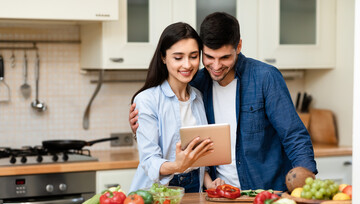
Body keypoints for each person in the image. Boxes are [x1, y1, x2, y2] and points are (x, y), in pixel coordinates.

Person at [129, 12, 317, 192]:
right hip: (220, 197)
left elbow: (294, 136)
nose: (217, 66)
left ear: (239, 47)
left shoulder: (265, 78)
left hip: (264, 191)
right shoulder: (198, 84)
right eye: (209, 57)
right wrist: (142, 127)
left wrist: (306, 185)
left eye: (225, 57)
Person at [129, 22, 224, 193]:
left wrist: (209, 183)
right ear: (163, 57)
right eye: (178, 58)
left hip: (196, 187)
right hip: (158, 190)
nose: (187, 65)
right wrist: (177, 165)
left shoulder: (198, 97)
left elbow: (197, 154)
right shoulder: (146, 100)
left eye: (193, 56)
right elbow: (149, 160)